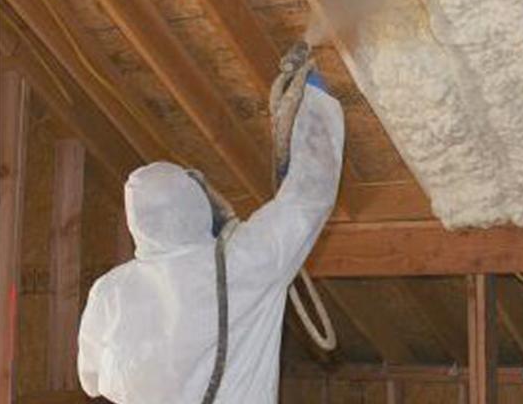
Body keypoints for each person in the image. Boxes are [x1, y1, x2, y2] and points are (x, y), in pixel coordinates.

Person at [77, 45, 344, 403]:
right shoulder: (244, 262)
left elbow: (92, 380)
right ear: (196, 204)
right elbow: (307, 197)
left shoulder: (109, 291)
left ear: (136, 222)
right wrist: (314, 100)